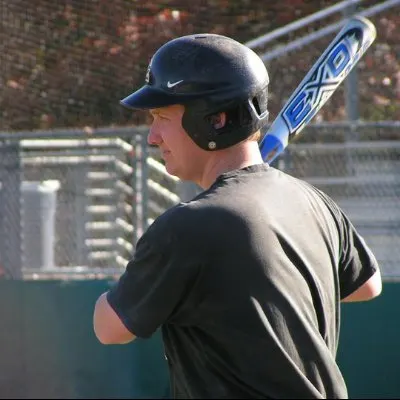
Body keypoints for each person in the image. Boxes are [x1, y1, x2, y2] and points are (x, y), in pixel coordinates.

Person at [93, 33, 382, 399]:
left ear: (215, 120)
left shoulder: (189, 227)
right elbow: (367, 286)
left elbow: (109, 327)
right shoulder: (314, 201)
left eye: (162, 116)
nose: (152, 136)